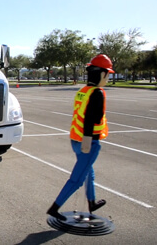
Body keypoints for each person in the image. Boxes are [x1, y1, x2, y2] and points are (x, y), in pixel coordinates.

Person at [47, 54, 115, 221]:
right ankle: (55, 208)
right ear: (102, 74)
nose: (108, 78)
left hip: (76, 139)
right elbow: (91, 119)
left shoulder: (83, 91)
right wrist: (87, 141)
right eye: (108, 75)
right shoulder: (97, 93)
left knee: (89, 173)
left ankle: (92, 203)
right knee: (77, 179)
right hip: (89, 141)